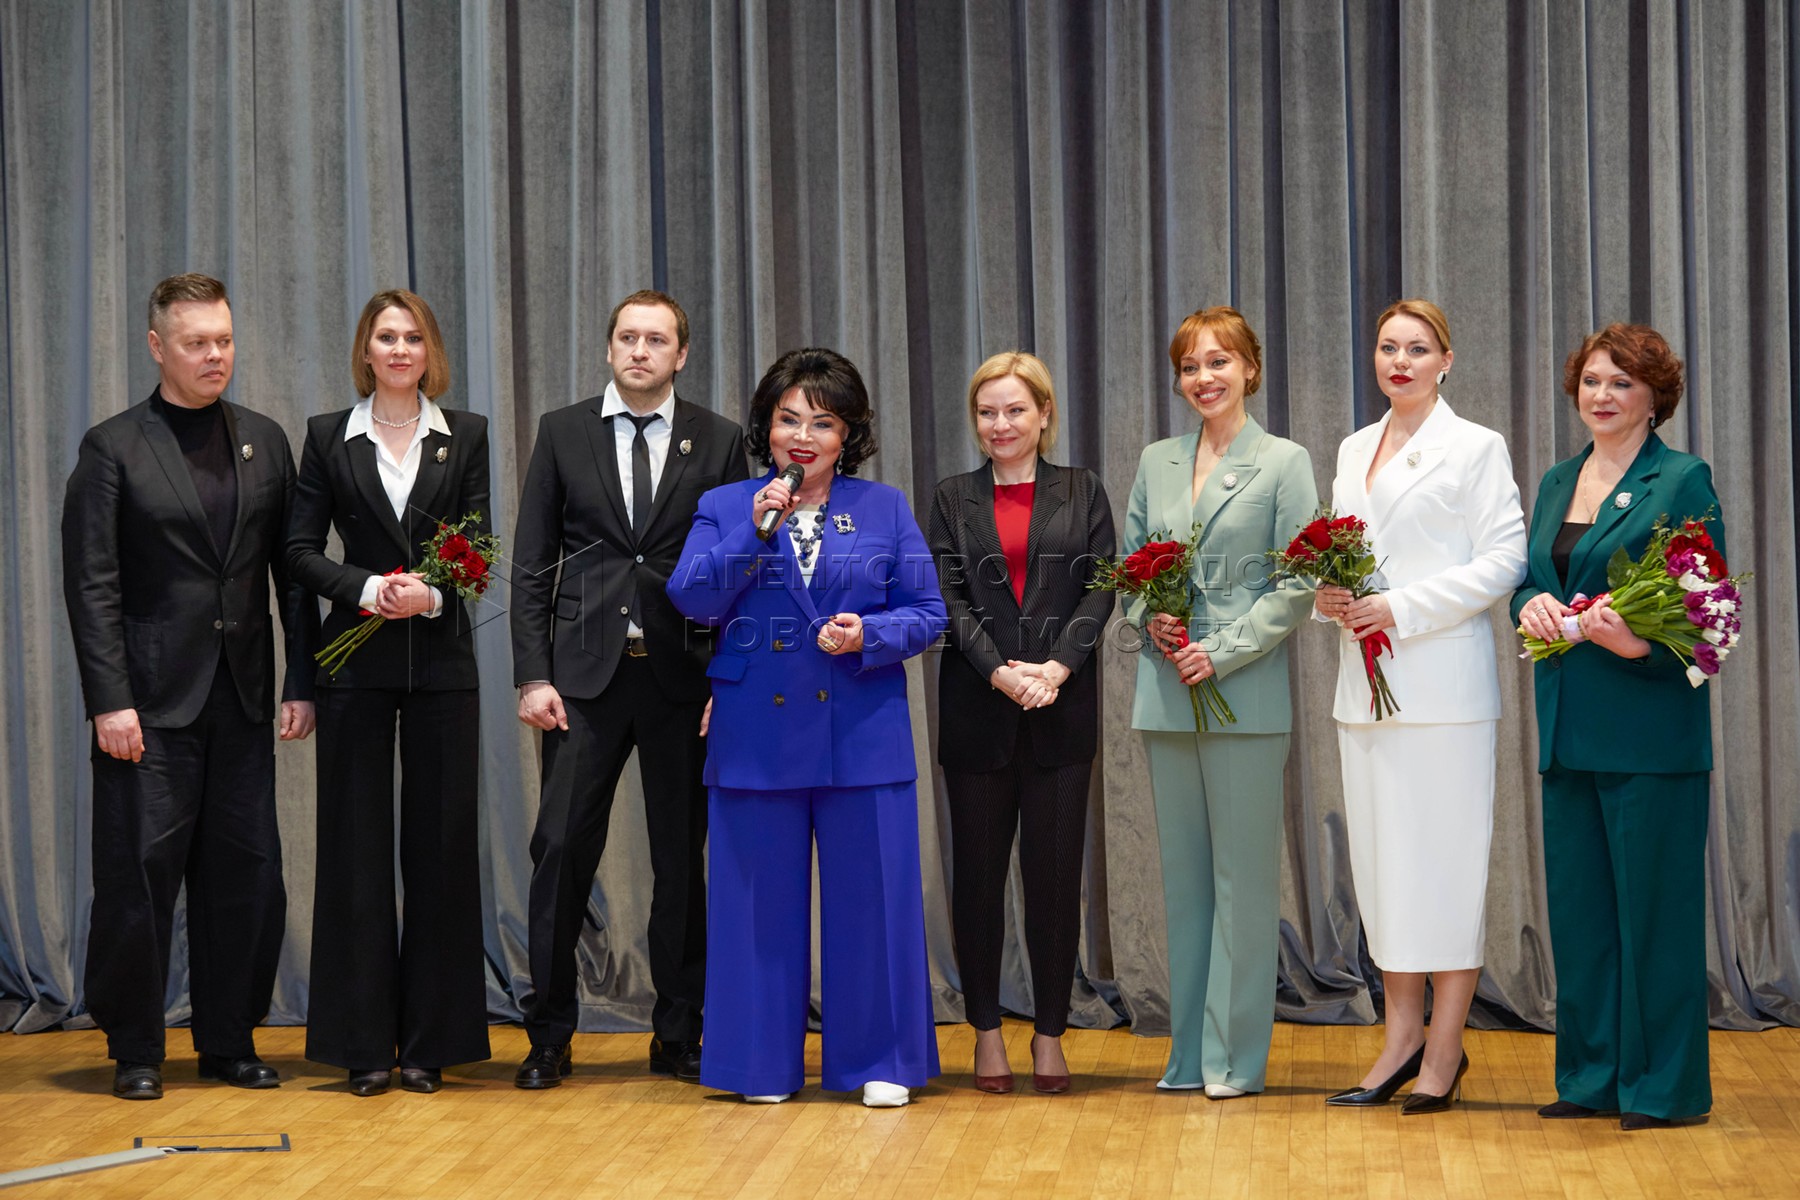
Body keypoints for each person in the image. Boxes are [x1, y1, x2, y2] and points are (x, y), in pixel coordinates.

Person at [61, 273, 319, 1101]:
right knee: (139, 878)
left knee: (246, 876)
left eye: (225, 340)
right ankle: (136, 1047)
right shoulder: (113, 448)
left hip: (242, 698)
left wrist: (302, 679)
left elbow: (291, 577)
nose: (216, 356)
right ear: (157, 347)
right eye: (197, 342)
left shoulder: (264, 441)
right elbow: (92, 584)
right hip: (146, 707)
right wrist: (110, 699)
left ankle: (229, 1040)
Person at [668, 347, 947, 1108]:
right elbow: (692, 598)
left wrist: (870, 635)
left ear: (847, 434)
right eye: (788, 419)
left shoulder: (884, 506)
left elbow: (928, 612)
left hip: (862, 729)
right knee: (755, 905)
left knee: (873, 903)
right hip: (755, 732)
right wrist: (755, 531)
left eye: (822, 423)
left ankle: (880, 1060)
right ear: (766, 426)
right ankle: (757, 1064)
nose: (803, 436)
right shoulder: (728, 503)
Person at [510, 289, 748, 1088]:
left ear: (681, 354)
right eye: (628, 337)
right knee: (560, 851)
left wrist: (727, 677)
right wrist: (533, 674)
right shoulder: (562, 431)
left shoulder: (720, 440)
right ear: (609, 348)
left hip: (683, 679)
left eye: (657, 339)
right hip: (582, 682)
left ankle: (677, 1033)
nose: (640, 351)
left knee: (681, 862)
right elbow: (533, 563)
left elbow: (741, 571)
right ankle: (548, 1035)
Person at [1314, 298, 1526, 1113]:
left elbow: (1504, 560)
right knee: (1383, 872)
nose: (1399, 361)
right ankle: (1400, 1038)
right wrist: (1328, 598)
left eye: (1417, 348)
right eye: (1387, 347)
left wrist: (1399, 608)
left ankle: (1444, 1048)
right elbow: (1343, 552)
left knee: (1445, 871)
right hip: (1363, 692)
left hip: (1442, 694)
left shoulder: (1475, 446)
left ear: (1446, 361)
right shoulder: (1353, 447)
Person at [1512, 324, 1722, 1131]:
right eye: (1592, 381)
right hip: (1568, 730)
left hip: (1650, 731)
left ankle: (1663, 1090)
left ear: (1654, 398)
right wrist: (1527, 603)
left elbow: (1710, 608)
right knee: (1583, 919)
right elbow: (1532, 578)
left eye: (1622, 383)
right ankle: (1591, 1077)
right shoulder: (1558, 479)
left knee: (1656, 922)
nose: (1602, 395)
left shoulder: (1682, 479)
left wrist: (1638, 644)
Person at [285, 289, 492, 1095]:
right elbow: (299, 552)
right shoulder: (326, 437)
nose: (400, 349)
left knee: (442, 852)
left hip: (442, 667)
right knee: (354, 853)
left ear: (428, 350)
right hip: (355, 670)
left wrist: (432, 593)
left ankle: (432, 1044)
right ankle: (362, 1043)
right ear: (365, 351)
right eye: (386, 337)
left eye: (413, 337)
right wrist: (370, 589)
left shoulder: (465, 434)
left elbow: (477, 546)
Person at [1123, 307, 1318, 1099]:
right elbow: (1131, 567)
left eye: (1219, 362)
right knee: (1187, 885)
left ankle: (1233, 1060)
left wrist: (1224, 649)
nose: (1204, 378)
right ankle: (1187, 1056)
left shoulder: (1284, 461)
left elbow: (1297, 583)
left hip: (1244, 693)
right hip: (1167, 693)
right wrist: (1150, 616)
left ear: (1250, 369)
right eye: (1190, 366)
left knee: (1243, 884)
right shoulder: (1157, 460)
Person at [928, 352, 1116, 1095]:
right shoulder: (951, 497)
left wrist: (1057, 669)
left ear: (1044, 415)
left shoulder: (1083, 490)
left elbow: (1102, 587)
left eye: (1014, 410)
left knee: (1054, 882)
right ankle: (984, 1033)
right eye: (987, 412)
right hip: (978, 711)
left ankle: (1049, 1034)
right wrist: (1000, 672)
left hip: (1059, 713)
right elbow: (946, 598)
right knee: (977, 883)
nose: (1000, 424)